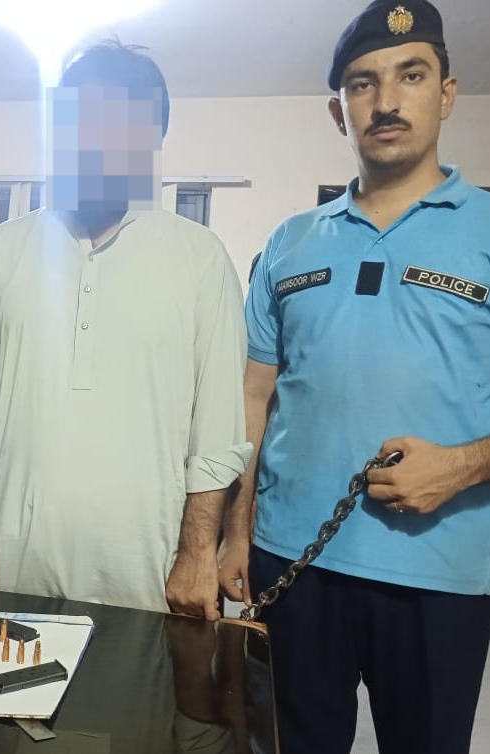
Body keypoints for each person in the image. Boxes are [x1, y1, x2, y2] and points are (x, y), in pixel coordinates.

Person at [218, 2, 490, 753]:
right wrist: (234, 536)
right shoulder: (288, 242)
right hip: (290, 563)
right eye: (363, 83)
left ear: (447, 93)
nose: (386, 100)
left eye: (411, 75)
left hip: (439, 575)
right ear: (339, 112)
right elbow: (253, 398)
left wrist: (462, 466)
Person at [0, 41, 251, 615]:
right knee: (10, 678)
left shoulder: (200, 258)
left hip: (147, 579)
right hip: (14, 571)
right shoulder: (4, 251)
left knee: (138, 681)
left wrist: (196, 554)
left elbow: (216, 434)